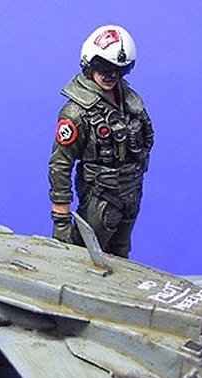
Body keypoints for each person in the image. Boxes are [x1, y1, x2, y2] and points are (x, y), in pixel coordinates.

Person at [48, 24, 154, 258]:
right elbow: (60, 165)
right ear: (89, 65)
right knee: (83, 257)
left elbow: (145, 140)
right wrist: (61, 217)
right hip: (100, 195)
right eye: (103, 67)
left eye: (118, 69)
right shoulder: (76, 113)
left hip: (131, 192)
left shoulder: (130, 102)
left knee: (121, 254)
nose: (110, 75)